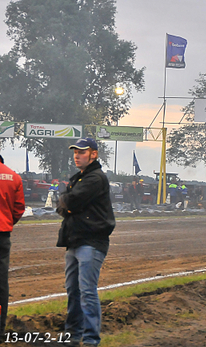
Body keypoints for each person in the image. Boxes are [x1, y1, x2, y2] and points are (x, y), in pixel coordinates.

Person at [56, 138, 115, 346]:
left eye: (82, 152)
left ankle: (90, 339)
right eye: (75, 152)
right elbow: (61, 206)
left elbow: (69, 201)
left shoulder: (95, 178)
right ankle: (72, 335)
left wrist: (67, 201)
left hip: (91, 242)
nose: (77, 155)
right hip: (74, 241)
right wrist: (67, 202)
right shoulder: (78, 178)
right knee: (73, 290)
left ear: (94, 154)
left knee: (87, 291)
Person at [0, 157, 25, 338]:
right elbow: (19, 209)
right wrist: (8, 222)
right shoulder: (13, 177)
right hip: (2, 234)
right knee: (1, 283)